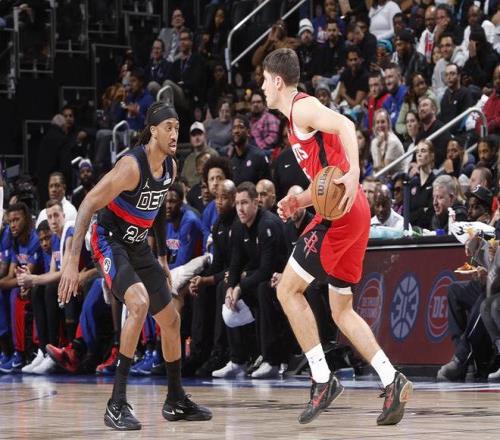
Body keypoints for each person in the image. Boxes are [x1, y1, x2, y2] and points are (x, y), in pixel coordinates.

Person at [261, 48, 412, 425]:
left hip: (340, 216)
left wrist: (356, 173)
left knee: (287, 290)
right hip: (350, 210)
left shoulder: (302, 108)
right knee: (341, 310)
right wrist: (298, 201)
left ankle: (322, 378)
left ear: (277, 81)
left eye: (264, 80)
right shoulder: (294, 123)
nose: (261, 88)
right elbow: (325, 183)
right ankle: (391, 379)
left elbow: (345, 124)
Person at [57, 102, 211, 430]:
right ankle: (116, 403)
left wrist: (163, 260)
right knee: (138, 304)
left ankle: (175, 400)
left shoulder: (170, 167)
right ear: (153, 131)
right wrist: (71, 261)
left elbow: (156, 209)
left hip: (138, 244)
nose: (175, 133)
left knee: (171, 320)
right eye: (168, 127)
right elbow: (88, 204)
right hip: (108, 239)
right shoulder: (131, 166)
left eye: (177, 127)